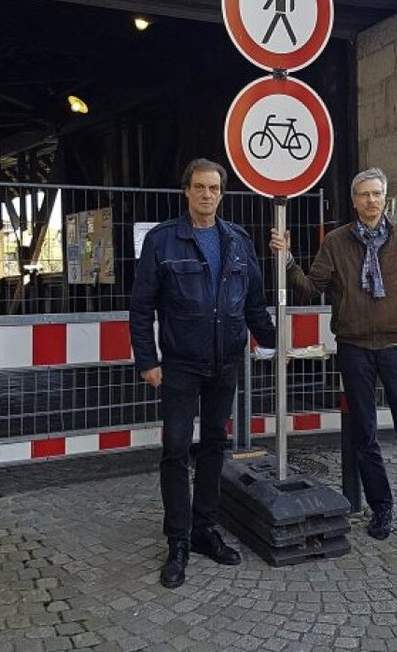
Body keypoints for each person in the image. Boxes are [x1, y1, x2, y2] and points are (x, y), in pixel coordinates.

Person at [270, 166, 397, 548]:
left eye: (376, 194)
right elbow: (310, 289)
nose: (370, 200)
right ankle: (381, 509)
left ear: (385, 197)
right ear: (354, 200)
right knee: (364, 434)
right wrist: (287, 261)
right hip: (354, 348)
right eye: (363, 195)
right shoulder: (336, 242)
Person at [130, 158, 275, 589]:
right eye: (199, 187)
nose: (206, 194)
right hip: (179, 364)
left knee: (214, 446)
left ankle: (203, 530)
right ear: (186, 191)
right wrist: (147, 360)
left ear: (221, 193)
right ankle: (177, 541)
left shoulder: (238, 241)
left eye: (213, 188)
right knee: (176, 449)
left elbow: (253, 303)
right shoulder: (162, 241)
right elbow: (141, 309)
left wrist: (274, 343)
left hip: (225, 362)